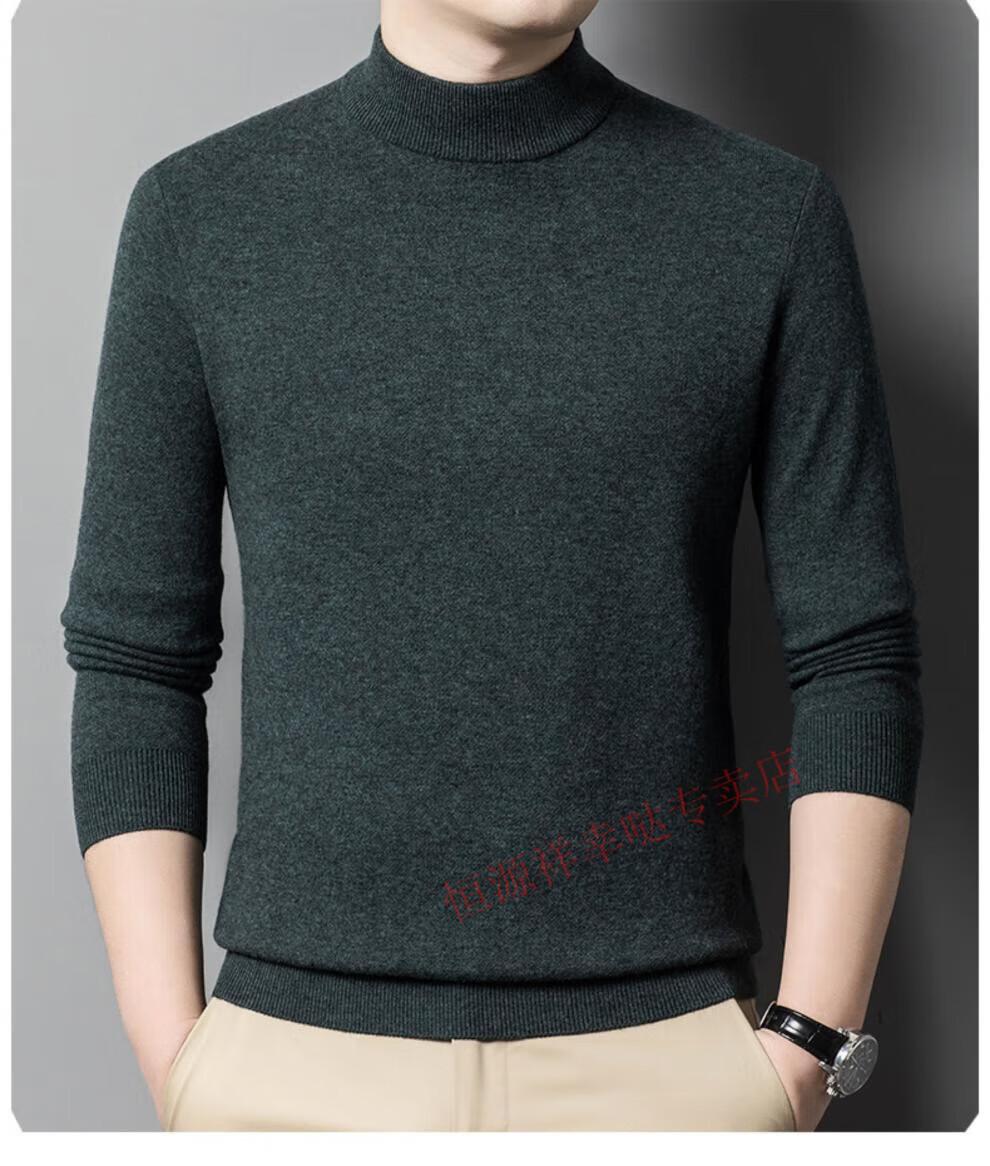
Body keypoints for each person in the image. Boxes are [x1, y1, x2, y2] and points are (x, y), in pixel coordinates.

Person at [59, 0, 924, 1133]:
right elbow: (136, 660)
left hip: (669, 1071)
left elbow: (855, 653)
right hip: (289, 1068)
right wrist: (178, 1057)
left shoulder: (765, 215)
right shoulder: (201, 214)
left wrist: (805, 1045)